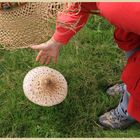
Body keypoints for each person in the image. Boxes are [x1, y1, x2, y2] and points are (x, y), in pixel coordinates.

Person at [31, 2, 140, 129]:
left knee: (137, 77)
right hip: (132, 23)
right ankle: (130, 88)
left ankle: (129, 109)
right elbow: (79, 5)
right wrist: (57, 40)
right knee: (133, 53)